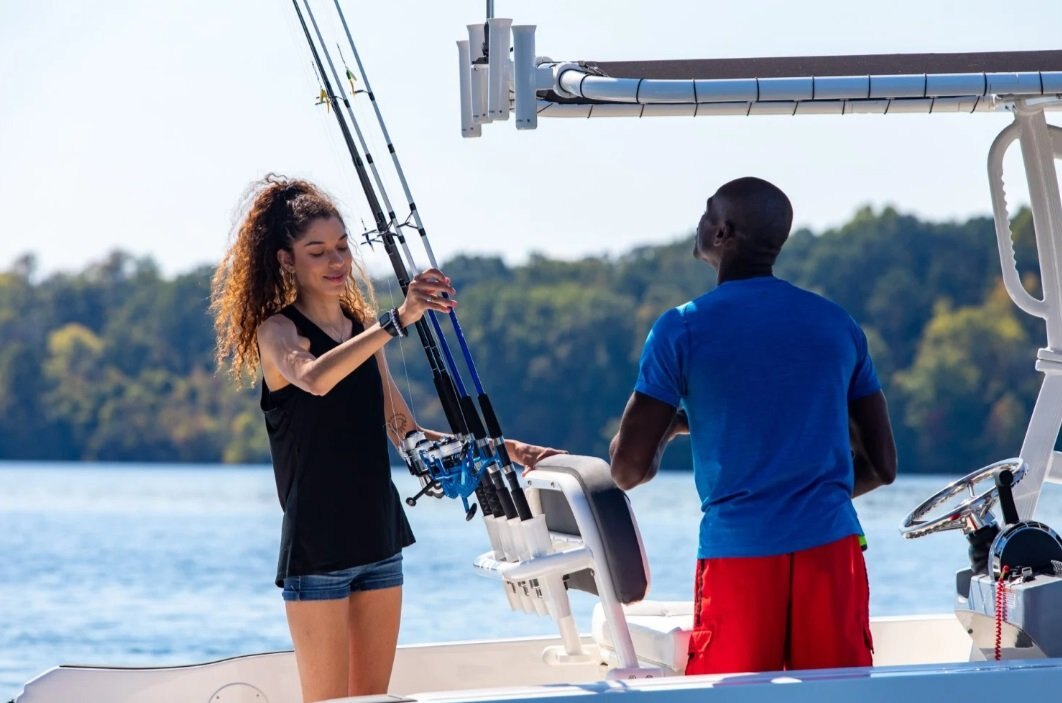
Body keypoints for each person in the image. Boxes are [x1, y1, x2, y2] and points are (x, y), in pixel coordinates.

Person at [211, 174, 562, 702]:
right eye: (317, 252)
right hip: (317, 549)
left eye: (342, 247)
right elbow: (315, 379)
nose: (336, 261)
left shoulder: (360, 330)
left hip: (379, 538)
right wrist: (396, 321)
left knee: (372, 701)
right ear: (287, 261)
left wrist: (506, 449)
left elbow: (405, 431)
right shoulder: (279, 332)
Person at [609, 176, 897, 676]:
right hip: (832, 551)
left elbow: (627, 469)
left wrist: (667, 432)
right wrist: (804, 497)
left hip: (739, 556)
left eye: (707, 214)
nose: (699, 224)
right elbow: (882, 466)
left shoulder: (681, 329)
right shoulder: (836, 324)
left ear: (723, 233)